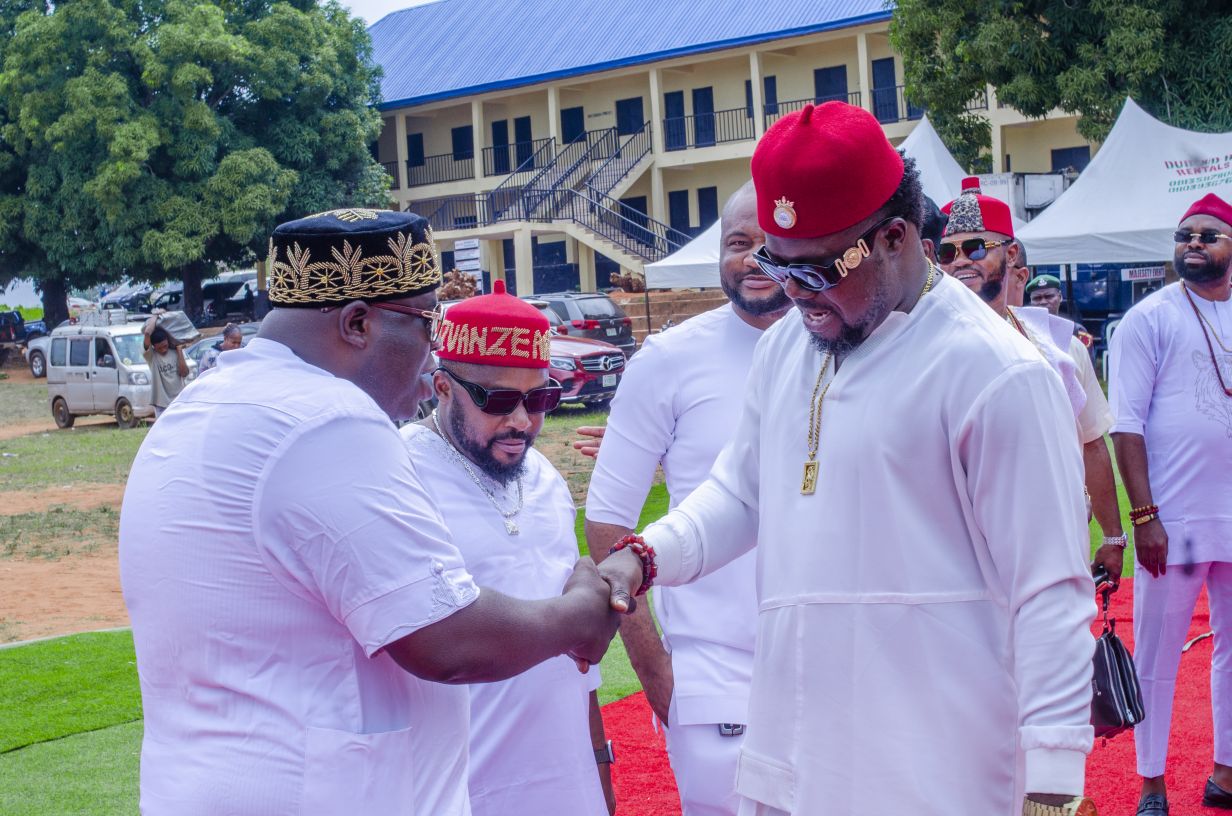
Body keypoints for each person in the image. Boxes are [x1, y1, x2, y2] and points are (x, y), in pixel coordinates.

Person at [597, 102, 1097, 816]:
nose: (793, 293)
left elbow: (1049, 590)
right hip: (792, 747)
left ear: (896, 237)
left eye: (817, 270)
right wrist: (644, 558)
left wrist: (1051, 785)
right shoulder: (788, 348)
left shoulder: (996, 373)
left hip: (937, 768)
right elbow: (740, 494)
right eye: (777, 264)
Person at [119, 209, 621, 816]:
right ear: (358, 323)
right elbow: (447, 640)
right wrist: (580, 615)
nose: (433, 359)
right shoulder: (328, 419)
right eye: (427, 325)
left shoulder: (203, 405)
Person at [585, 181, 791, 816]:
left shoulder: (843, 346)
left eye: (770, 244)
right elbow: (607, 526)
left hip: (837, 666)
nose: (752, 259)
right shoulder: (668, 360)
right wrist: (657, 674)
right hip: (714, 670)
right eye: (737, 243)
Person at [401, 282, 613, 816]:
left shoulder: (545, 479)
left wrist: (599, 766)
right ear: (442, 387)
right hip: (452, 793)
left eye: (539, 399)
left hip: (567, 787)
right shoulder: (399, 477)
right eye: (497, 400)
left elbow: (579, 660)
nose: (521, 420)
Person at [1109, 192, 1232, 816]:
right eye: (1185, 235)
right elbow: (1125, 425)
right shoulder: (1148, 319)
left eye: (1209, 235)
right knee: (1157, 655)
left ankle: (1226, 774)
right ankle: (1151, 783)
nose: (1194, 243)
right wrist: (1144, 516)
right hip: (1173, 522)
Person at [939, 182, 1126, 586]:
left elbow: (1092, 442)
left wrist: (1112, 536)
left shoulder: (1056, 346)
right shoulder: (922, 346)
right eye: (947, 253)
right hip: (961, 552)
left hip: (1055, 542)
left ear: (1010, 255)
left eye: (975, 248)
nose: (960, 262)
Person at [1027, 274, 1094, 349]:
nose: (1043, 302)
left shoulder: (1075, 331)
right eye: (1037, 298)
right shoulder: (1024, 331)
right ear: (1031, 301)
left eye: (1049, 296)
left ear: (1060, 297)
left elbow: (1084, 356)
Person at [141, 313, 189, 417]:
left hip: (178, 400)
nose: (163, 350)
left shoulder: (175, 352)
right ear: (153, 347)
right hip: (161, 404)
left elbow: (184, 373)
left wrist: (179, 350)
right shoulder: (151, 356)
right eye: (159, 348)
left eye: (165, 346)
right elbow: (147, 333)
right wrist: (155, 316)